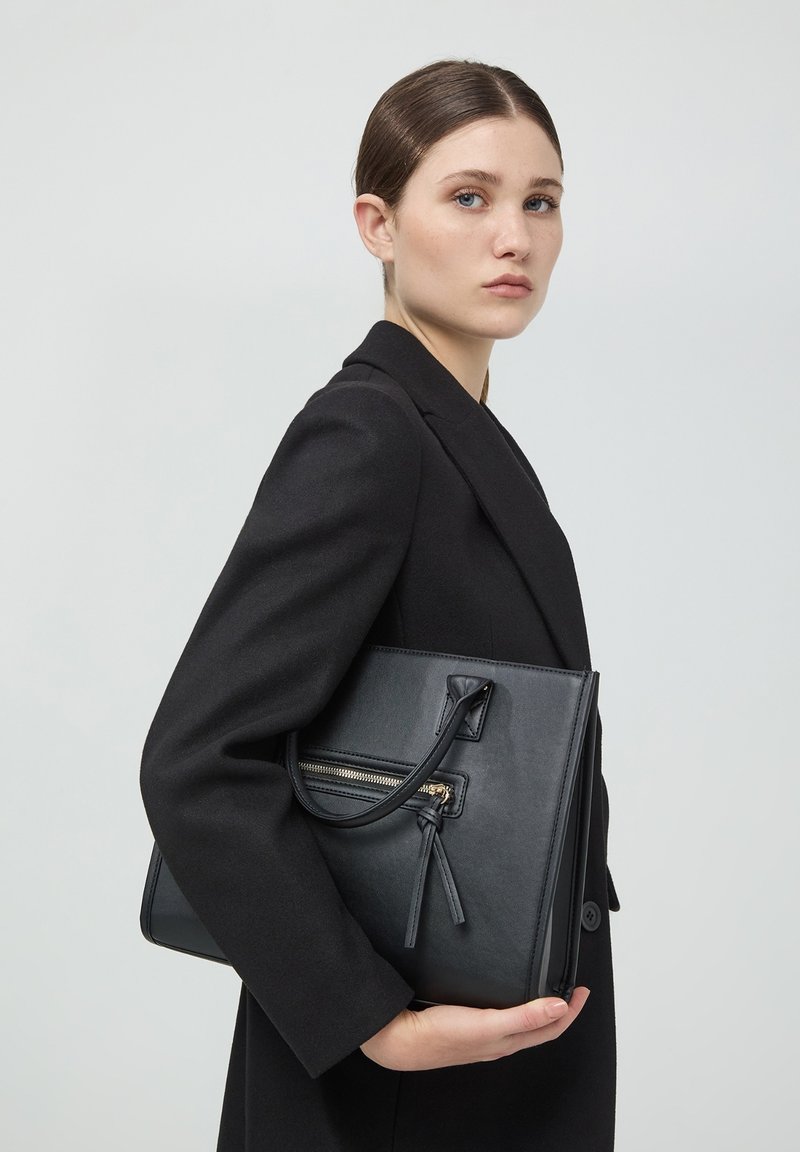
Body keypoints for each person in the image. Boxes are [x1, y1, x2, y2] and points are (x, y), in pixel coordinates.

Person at [139, 57, 621, 1152]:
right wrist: (370, 1021)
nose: (514, 237)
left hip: (491, 1044)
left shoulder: (457, 434)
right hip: (400, 1087)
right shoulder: (370, 434)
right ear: (378, 224)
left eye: (540, 201)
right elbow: (198, 760)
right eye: (469, 197)